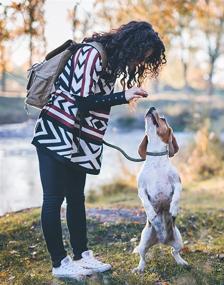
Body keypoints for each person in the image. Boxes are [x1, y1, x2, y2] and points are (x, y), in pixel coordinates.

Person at [31, 20, 166, 279]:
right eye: (140, 56)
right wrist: (122, 96)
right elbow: (82, 101)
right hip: (56, 133)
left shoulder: (110, 64)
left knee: (76, 198)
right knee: (53, 199)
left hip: (80, 139)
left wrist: (121, 95)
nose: (139, 63)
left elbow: (93, 102)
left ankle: (82, 256)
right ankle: (60, 263)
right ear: (131, 46)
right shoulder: (91, 54)